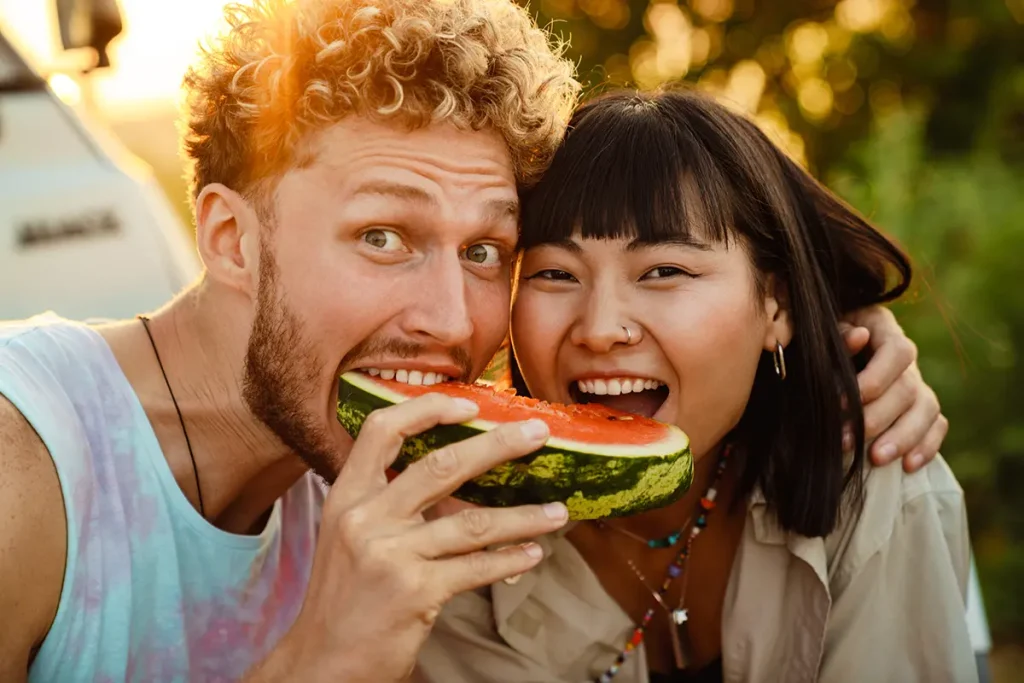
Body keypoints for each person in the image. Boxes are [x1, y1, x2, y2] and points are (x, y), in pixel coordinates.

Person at [0, 1, 946, 681]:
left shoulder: (408, 456)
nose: (453, 322)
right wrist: (324, 657)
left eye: (488, 251)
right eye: (383, 236)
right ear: (230, 238)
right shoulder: (27, 474)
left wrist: (849, 336)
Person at [415, 89, 975, 683]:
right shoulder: (451, 526)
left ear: (776, 304)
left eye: (664, 271)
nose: (600, 330)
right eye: (555, 273)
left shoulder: (875, 486)